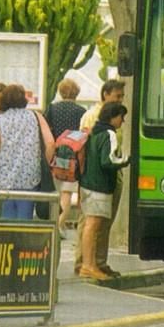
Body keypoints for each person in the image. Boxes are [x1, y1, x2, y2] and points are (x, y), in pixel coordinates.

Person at [0, 84, 55, 220]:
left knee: (6, 219)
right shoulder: (35, 116)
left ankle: (7, 239)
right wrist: (46, 163)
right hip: (29, 178)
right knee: (24, 219)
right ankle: (22, 239)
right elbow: (50, 143)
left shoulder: (0, 120)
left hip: (3, 179)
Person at [74, 79, 125, 277]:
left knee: (105, 220)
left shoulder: (114, 118)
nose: (120, 100)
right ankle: (85, 262)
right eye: (117, 96)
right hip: (96, 178)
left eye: (121, 97)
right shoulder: (93, 117)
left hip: (109, 175)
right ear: (105, 94)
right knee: (90, 221)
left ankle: (99, 261)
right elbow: (88, 148)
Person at [45, 78, 86, 238]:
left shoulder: (52, 109)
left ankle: (53, 223)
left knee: (56, 190)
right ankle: (60, 224)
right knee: (67, 193)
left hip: (55, 154)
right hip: (73, 156)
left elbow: (47, 131)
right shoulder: (81, 111)